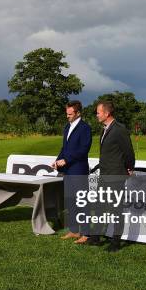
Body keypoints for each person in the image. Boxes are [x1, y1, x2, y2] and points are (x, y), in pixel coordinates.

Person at [75, 100, 135, 252]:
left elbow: (129, 152)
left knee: (115, 210)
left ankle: (115, 243)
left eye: (98, 112)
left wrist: (129, 167)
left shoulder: (119, 129)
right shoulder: (104, 129)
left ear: (107, 113)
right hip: (104, 174)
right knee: (101, 208)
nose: (96, 115)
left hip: (115, 176)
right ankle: (96, 238)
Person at [51, 100, 92, 241]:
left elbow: (83, 150)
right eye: (66, 113)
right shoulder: (67, 127)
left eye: (70, 114)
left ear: (78, 113)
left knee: (82, 202)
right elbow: (65, 148)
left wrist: (66, 160)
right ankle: (74, 231)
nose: (67, 116)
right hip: (68, 171)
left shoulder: (85, 128)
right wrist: (57, 161)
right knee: (71, 202)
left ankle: (86, 234)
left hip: (79, 170)